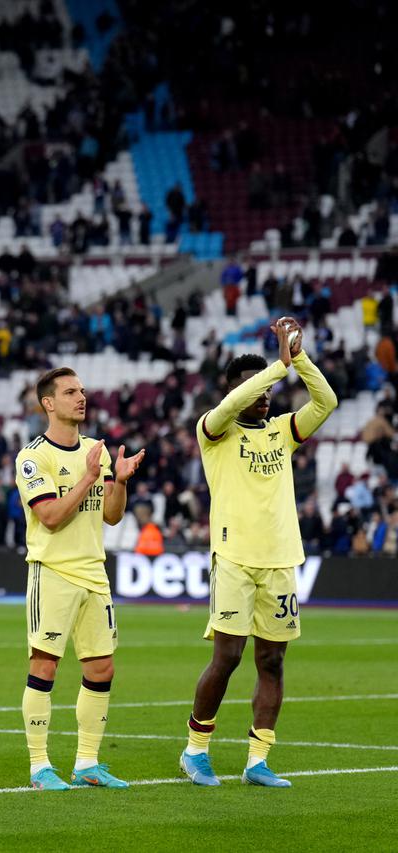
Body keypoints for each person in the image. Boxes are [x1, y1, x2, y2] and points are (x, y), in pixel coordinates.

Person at [180, 317, 337, 787]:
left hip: (281, 560)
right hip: (233, 558)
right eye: (255, 387)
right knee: (227, 657)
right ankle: (195, 750)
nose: (265, 394)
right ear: (233, 390)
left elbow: (326, 402)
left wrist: (298, 359)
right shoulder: (214, 431)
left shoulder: (283, 430)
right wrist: (277, 367)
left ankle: (258, 759)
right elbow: (231, 406)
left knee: (272, 662)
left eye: (268, 388)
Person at [14, 367, 144, 791]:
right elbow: (50, 517)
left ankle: (87, 763)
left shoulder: (96, 450)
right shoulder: (34, 457)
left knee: (102, 667)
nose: (81, 397)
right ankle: (39, 767)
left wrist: (118, 481)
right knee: (44, 666)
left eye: (82, 391)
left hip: (94, 572)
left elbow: (111, 515)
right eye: (70, 392)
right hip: (53, 572)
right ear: (48, 403)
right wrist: (89, 477)